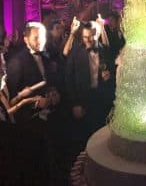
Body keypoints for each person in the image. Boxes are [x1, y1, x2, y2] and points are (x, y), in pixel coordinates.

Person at [65, 21, 112, 155]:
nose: (88, 41)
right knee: (84, 141)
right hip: (82, 102)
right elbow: (68, 79)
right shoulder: (75, 52)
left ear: (97, 34)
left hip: (101, 101)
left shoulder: (105, 51)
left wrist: (109, 77)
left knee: (102, 140)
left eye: (91, 37)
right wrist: (75, 104)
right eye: (85, 37)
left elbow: (113, 75)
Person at [6, 22, 60, 122]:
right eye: (36, 38)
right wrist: (35, 103)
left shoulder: (46, 57)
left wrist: (54, 92)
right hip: (29, 120)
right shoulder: (16, 61)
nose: (40, 41)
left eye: (42, 37)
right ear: (26, 40)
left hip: (50, 116)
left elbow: (48, 81)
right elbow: (12, 98)